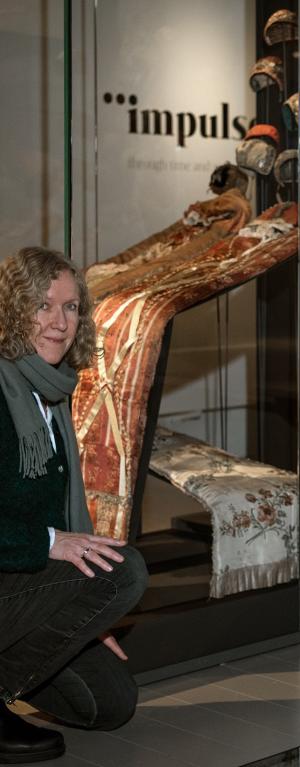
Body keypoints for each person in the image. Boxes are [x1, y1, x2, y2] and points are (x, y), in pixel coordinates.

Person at [0, 247, 148, 763]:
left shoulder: (51, 393)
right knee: (123, 570)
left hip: (20, 582)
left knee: (110, 702)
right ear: (13, 310)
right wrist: (48, 542)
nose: (59, 323)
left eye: (70, 307)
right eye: (42, 306)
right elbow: (51, 536)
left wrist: (82, 614)